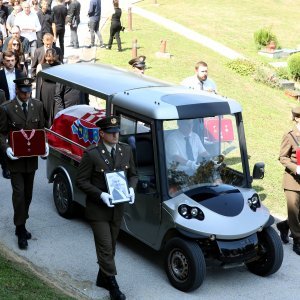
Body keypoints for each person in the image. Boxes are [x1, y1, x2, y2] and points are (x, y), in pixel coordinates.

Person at [76, 116, 137, 300]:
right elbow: (81, 181)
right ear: (101, 133)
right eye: (111, 133)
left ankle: (102, 278)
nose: (115, 135)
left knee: (110, 247)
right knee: (105, 246)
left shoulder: (125, 150)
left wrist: (132, 189)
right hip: (98, 210)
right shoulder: (92, 154)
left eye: (117, 131)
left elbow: (133, 174)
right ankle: (113, 287)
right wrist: (100, 194)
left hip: (117, 209)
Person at [0, 77, 47, 250]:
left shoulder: (38, 106)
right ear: (17, 91)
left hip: (31, 158)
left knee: (28, 194)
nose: (27, 94)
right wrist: (6, 149)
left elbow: (42, 128)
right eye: (23, 91)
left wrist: (45, 144)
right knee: (19, 194)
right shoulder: (6, 108)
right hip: (16, 160)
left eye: (29, 91)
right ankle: (20, 229)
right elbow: (2, 132)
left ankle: (22, 222)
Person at [278, 106, 300, 255]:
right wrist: (296, 168)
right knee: (294, 212)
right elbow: (282, 157)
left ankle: (284, 226)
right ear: (298, 118)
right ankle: (297, 241)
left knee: (298, 214)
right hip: (292, 181)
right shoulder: (290, 135)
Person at [35, 48, 60, 127]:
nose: (51, 62)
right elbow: (39, 83)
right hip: (45, 91)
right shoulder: (41, 66)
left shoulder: (59, 64)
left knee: (55, 109)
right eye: (49, 60)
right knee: (46, 109)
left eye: (52, 60)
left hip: (57, 89)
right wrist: (38, 98)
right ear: (45, 57)